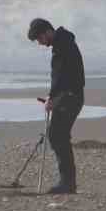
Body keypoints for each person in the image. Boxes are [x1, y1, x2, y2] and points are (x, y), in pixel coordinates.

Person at [28, 18, 85, 195]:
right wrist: (52, 97)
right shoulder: (63, 43)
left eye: (40, 38)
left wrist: (53, 98)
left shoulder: (62, 46)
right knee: (58, 136)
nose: (40, 43)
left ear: (47, 32)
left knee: (57, 136)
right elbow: (61, 77)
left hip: (70, 97)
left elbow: (62, 77)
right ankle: (68, 182)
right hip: (69, 96)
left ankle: (67, 183)